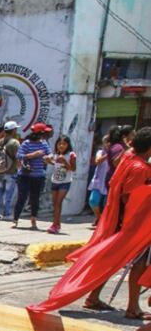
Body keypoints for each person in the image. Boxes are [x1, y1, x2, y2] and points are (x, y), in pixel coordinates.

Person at [53, 128, 151, 318]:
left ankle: (94, 297)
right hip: (130, 224)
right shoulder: (139, 167)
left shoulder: (129, 157)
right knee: (139, 263)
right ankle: (133, 307)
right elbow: (130, 197)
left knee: (109, 261)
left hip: (117, 222)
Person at [12, 123, 51, 230]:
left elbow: (50, 154)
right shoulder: (26, 143)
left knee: (35, 199)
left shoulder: (44, 143)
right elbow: (19, 156)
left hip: (38, 176)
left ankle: (33, 220)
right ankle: (15, 220)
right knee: (22, 197)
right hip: (25, 175)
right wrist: (33, 155)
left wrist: (48, 158)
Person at [44, 134, 77, 234]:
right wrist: (49, 160)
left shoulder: (71, 155)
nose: (61, 146)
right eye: (59, 144)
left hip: (65, 182)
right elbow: (50, 161)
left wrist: (64, 162)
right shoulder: (55, 154)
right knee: (55, 204)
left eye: (64, 144)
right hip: (55, 181)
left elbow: (73, 169)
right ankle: (57, 224)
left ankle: (55, 225)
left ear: (68, 145)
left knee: (58, 202)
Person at [0, 121, 21, 220]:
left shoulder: (0, 141)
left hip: (0, 170)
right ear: (13, 131)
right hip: (11, 172)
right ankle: (7, 214)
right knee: (8, 194)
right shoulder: (15, 142)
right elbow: (18, 158)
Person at [88, 134, 111, 226]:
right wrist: (107, 155)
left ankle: (104, 221)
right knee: (93, 201)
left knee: (107, 204)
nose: (108, 144)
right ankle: (99, 217)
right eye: (106, 142)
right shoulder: (100, 152)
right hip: (98, 181)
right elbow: (97, 161)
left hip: (109, 182)